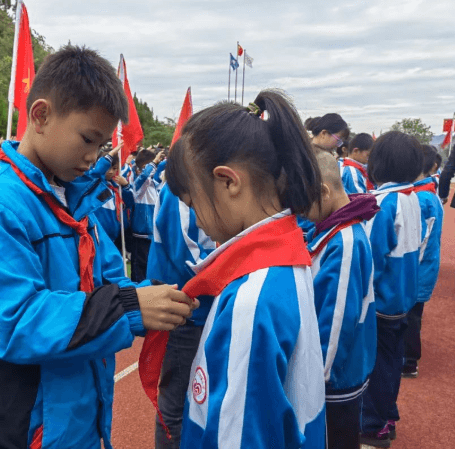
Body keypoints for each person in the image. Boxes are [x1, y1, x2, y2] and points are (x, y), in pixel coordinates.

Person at [0, 45, 196, 449]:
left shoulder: (74, 201)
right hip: (22, 428)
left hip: (76, 418)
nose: (93, 157)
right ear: (41, 115)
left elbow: (111, 282)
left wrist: (166, 295)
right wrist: (132, 307)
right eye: (88, 139)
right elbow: (17, 322)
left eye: (101, 145)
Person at [164, 94, 326, 449]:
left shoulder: (250, 301)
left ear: (228, 182)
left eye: (193, 203)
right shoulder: (287, 261)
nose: (199, 221)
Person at [305, 151, 378, 449]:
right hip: (335, 375)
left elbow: (337, 321)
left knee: (336, 439)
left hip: (335, 380)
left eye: (301, 202)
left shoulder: (345, 242)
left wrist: (317, 380)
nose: (298, 211)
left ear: (323, 192)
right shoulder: (332, 230)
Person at [361, 131, 423, 447]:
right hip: (403, 298)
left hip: (382, 300)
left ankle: (373, 427)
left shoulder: (382, 203)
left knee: (374, 365)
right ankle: (386, 416)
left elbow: (370, 258)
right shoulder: (412, 197)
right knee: (392, 362)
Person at [148, 167, 216, 449]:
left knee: (197, 397)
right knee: (175, 404)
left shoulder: (195, 187)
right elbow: (189, 258)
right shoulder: (178, 192)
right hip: (185, 312)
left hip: (200, 308)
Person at [403, 145, 444, 378]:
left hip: (418, 270)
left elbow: (421, 240)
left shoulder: (423, 197)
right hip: (421, 268)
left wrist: (406, 269)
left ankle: (409, 361)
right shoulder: (427, 192)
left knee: (411, 317)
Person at [130, 148, 165, 282]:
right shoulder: (138, 187)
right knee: (140, 270)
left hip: (153, 235)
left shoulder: (156, 186)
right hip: (141, 235)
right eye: (151, 167)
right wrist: (155, 162)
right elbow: (144, 177)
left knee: (151, 268)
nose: (154, 170)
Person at [91, 147, 134, 250]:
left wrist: (125, 186)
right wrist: (108, 158)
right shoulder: (94, 184)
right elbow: (95, 174)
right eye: (108, 167)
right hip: (96, 237)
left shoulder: (116, 187)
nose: (111, 172)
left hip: (113, 237)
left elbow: (130, 203)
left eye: (114, 168)